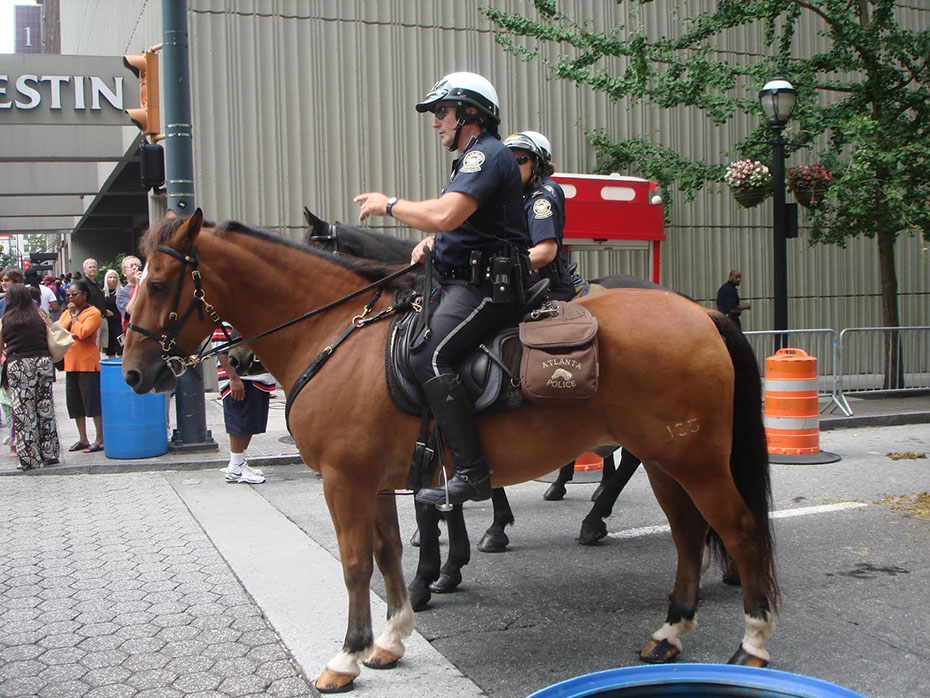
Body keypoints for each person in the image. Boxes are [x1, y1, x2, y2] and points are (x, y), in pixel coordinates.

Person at [355, 71, 531, 506]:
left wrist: (389, 204)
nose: (436, 123)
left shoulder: (484, 156)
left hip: (490, 285)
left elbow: (446, 214)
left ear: (469, 113)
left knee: (427, 354)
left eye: (441, 112)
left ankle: (471, 471)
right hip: (464, 278)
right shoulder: (471, 158)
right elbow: (465, 225)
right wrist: (435, 242)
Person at [503, 131, 575, 301]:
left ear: (536, 163)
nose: (513, 166)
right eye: (507, 161)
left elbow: (545, 252)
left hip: (544, 284)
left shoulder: (542, 196)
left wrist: (502, 266)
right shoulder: (514, 196)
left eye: (520, 160)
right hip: (522, 279)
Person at [0, 284, 60, 470]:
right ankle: (49, 454)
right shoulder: (40, 315)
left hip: (19, 365)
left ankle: (29, 458)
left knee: (24, 412)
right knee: (45, 408)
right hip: (43, 362)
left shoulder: (7, 319)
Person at [212, 323, 274, 484]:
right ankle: (235, 466)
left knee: (249, 424)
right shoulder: (226, 321)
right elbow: (221, 350)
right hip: (242, 380)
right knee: (240, 423)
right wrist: (234, 379)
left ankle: (239, 461)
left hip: (255, 379)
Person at [59, 279, 104, 453]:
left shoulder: (93, 312)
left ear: (84, 295)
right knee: (75, 404)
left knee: (92, 402)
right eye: (68, 294)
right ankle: (83, 439)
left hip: (87, 364)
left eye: (74, 294)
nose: (70, 297)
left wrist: (74, 318)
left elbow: (85, 332)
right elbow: (61, 331)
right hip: (70, 363)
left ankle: (99, 439)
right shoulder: (66, 312)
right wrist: (75, 332)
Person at [82, 258, 108, 353]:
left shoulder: (97, 284)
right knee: (93, 346)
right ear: (85, 270)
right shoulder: (82, 284)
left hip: (103, 318)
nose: (92, 269)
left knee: (101, 347)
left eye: (94, 267)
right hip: (92, 319)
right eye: (90, 267)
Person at [116, 255, 142, 333]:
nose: (135, 268)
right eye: (131, 266)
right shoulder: (122, 293)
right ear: (124, 273)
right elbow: (132, 311)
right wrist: (138, 285)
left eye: (137, 265)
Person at [102, 269, 123, 357]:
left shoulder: (121, 292)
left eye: (114, 277)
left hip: (119, 323)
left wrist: (114, 314)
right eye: (110, 277)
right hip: (107, 324)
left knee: (121, 348)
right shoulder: (102, 293)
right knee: (110, 349)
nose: (112, 279)